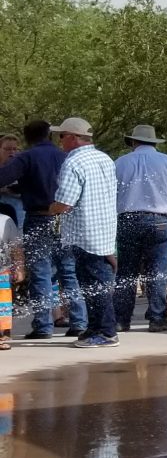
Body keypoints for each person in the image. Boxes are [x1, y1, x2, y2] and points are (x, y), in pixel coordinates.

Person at [112, 124, 167, 333]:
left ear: (133, 142)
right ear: (154, 142)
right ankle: (157, 317)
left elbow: (110, 194)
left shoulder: (120, 163)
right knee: (157, 271)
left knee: (126, 272)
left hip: (128, 219)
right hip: (159, 220)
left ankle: (122, 319)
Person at [0, 121, 77, 341]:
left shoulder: (28, 157)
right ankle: (79, 322)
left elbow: (4, 177)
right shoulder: (65, 157)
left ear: (27, 138)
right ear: (49, 136)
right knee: (68, 270)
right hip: (65, 218)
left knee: (41, 272)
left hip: (39, 217)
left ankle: (44, 326)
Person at [48, 117, 120, 346]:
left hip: (84, 235)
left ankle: (107, 333)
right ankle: (95, 328)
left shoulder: (74, 162)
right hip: (104, 231)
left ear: (72, 137)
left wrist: (51, 209)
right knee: (95, 284)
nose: (60, 141)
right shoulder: (104, 158)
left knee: (95, 285)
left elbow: (65, 203)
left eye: (61, 136)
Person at [0, 207, 20, 350]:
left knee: (3, 306)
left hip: (2, 271)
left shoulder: (5, 220)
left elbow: (16, 247)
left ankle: (3, 332)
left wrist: (19, 268)